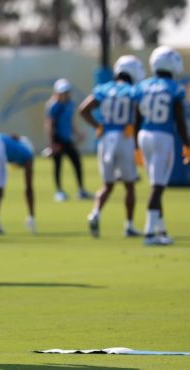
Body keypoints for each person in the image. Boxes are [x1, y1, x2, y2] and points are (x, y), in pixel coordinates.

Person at [78, 55, 145, 238]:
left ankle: (95, 214)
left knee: (107, 185)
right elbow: (139, 115)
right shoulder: (133, 90)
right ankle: (129, 225)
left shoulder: (104, 89)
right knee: (129, 185)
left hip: (106, 138)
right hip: (125, 137)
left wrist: (99, 126)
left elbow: (83, 109)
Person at [133, 46, 190, 246]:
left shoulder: (142, 86)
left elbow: (137, 117)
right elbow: (180, 120)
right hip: (162, 136)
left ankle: (161, 229)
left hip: (143, 135)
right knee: (157, 187)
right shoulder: (174, 88)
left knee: (157, 184)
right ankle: (149, 234)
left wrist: (135, 146)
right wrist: (187, 143)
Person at [45, 78, 92, 202]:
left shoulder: (70, 104)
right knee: (58, 165)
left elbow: (70, 122)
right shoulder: (53, 105)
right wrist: (51, 144)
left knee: (77, 163)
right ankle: (59, 191)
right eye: (62, 92)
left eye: (66, 91)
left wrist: (77, 134)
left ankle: (81, 190)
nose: (65, 94)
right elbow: (49, 124)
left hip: (67, 139)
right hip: (57, 139)